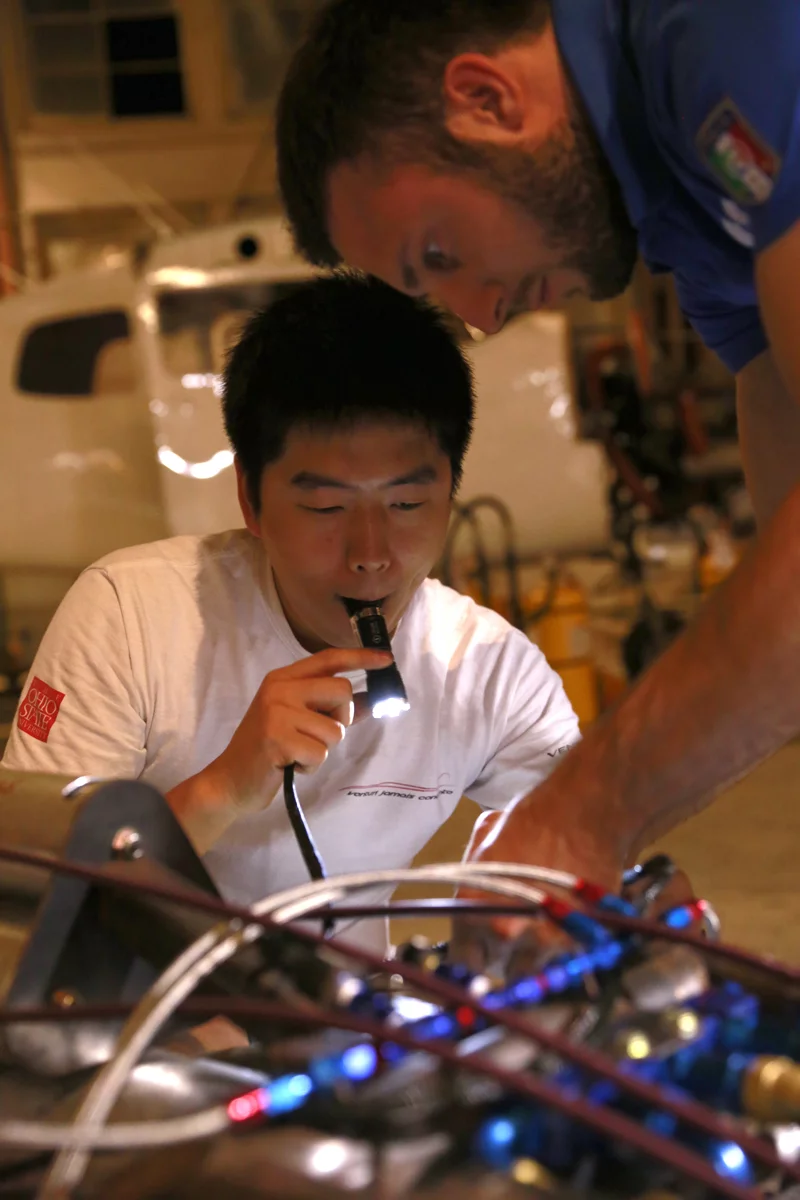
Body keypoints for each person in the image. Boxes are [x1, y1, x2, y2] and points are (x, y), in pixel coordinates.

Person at [274, 0, 800, 904]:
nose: (482, 314)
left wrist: (577, 816)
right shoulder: (695, 229)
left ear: (486, 99)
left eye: (438, 253)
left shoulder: (716, 28)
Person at [0, 275, 579, 951]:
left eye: (407, 505)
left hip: (356, 1040)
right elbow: (26, 878)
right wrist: (224, 786)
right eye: (326, 508)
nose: (371, 556)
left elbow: (592, 840)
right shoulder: (131, 615)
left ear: (452, 493)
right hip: (148, 1036)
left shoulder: (486, 669)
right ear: (249, 497)